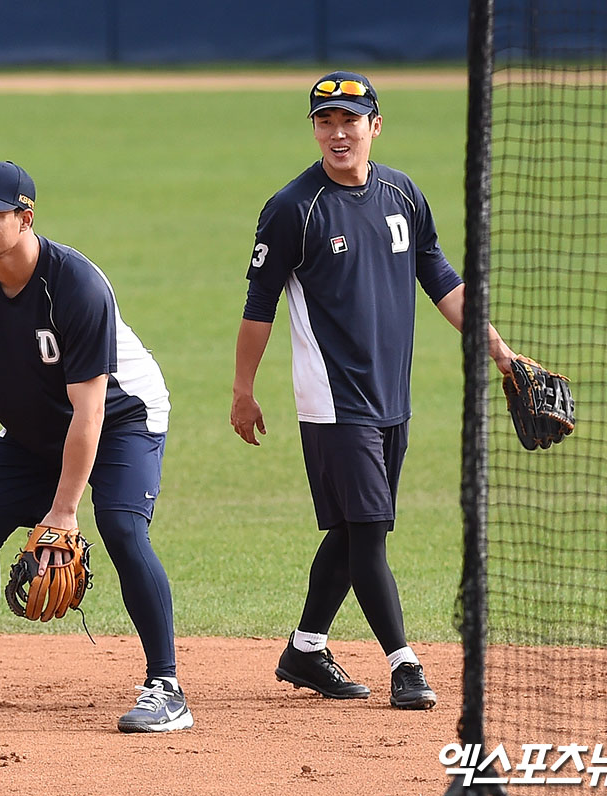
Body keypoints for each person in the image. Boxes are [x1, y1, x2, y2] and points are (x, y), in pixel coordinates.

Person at [229, 72, 521, 710]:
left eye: (350, 120)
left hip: (393, 396)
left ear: (375, 125)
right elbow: (259, 306)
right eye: (326, 121)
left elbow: (438, 274)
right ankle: (404, 664)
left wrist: (499, 350)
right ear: (313, 129)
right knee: (367, 532)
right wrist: (242, 389)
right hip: (333, 401)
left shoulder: (401, 192)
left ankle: (305, 650)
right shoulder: (293, 209)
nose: (338, 133)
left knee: (352, 528)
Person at [0, 160, 192, 733]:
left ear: (26, 217)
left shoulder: (76, 286)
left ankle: (166, 688)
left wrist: (63, 513)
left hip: (121, 418)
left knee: (119, 526)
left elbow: (88, 411)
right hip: (31, 429)